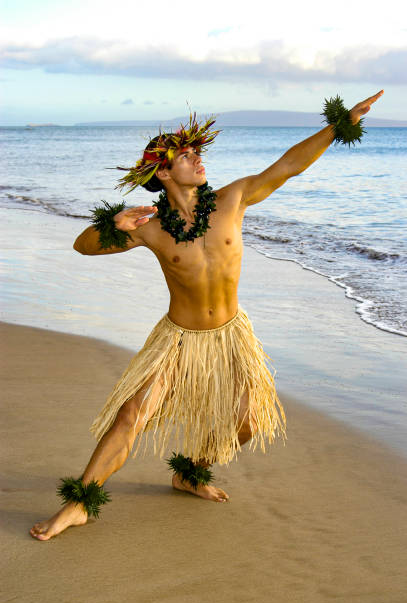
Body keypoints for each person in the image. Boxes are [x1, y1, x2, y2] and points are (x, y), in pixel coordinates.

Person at [30, 90, 383, 540]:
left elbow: (288, 166)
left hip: (231, 336)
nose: (199, 159)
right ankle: (79, 505)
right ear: (163, 171)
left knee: (248, 422)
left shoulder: (232, 199)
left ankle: (191, 473)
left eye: (199, 152)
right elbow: (83, 246)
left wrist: (341, 125)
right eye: (187, 155)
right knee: (131, 416)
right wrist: (111, 225)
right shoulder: (151, 227)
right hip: (177, 340)